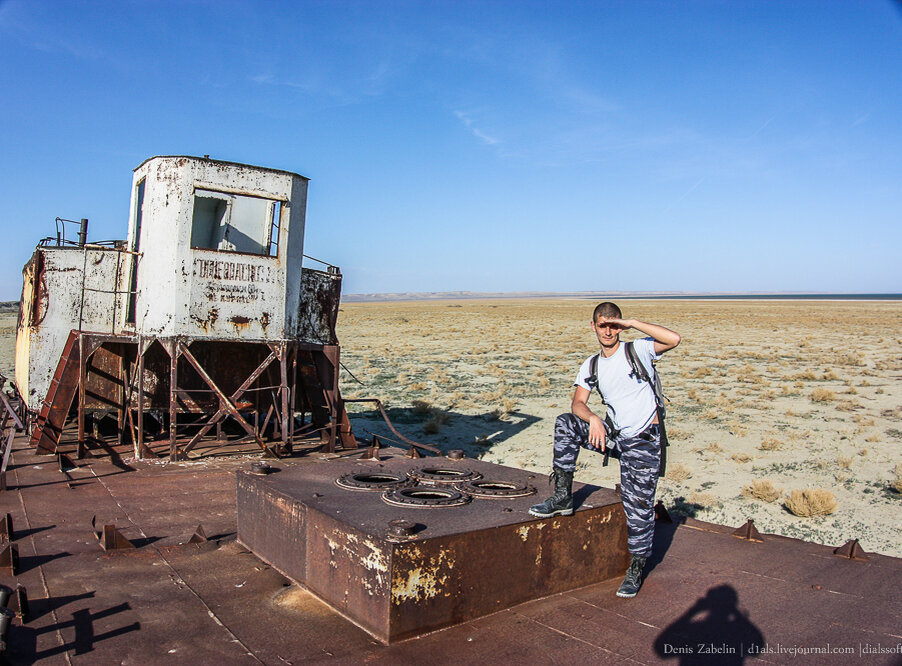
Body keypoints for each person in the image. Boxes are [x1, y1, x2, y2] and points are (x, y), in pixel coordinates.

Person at [529, 301, 681, 598]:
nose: (608, 330)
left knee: (637, 507)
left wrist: (634, 322)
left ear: (620, 325)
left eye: (614, 324)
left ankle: (637, 567)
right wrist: (594, 418)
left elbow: (673, 340)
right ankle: (562, 497)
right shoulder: (592, 364)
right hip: (613, 434)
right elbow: (577, 404)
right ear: (593, 326)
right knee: (566, 423)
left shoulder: (638, 350)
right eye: (603, 325)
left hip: (642, 441)